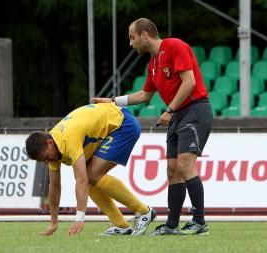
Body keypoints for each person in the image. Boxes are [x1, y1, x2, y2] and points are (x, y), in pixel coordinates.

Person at [93, 18, 213, 235]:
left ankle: (199, 222)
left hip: (195, 110)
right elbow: (145, 95)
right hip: (178, 114)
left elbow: (190, 82)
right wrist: (113, 101)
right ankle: (171, 225)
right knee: (173, 171)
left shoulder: (175, 46)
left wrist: (170, 110)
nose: (131, 43)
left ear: (145, 34)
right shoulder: (153, 64)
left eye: (132, 37)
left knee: (185, 166)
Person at [25, 103, 156, 236]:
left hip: (124, 124)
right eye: (43, 161)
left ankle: (144, 212)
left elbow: (81, 181)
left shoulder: (68, 139)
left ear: (49, 143)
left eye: (47, 157)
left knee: (91, 175)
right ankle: (121, 225)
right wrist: (53, 223)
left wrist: (80, 219)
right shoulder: (53, 146)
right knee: (91, 178)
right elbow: (54, 186)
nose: (47, 161)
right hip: (111, 122)